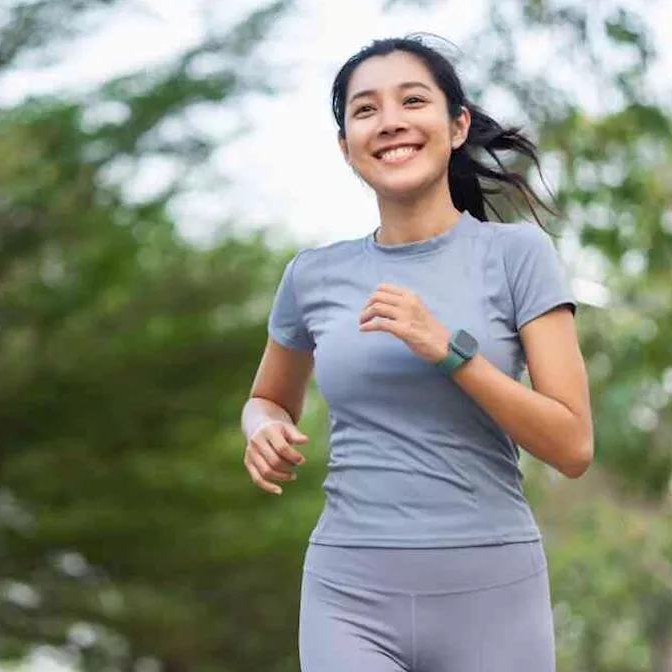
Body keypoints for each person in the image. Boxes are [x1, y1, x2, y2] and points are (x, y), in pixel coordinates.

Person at [239, 35, 594, 672]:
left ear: (456, 126)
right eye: (365, 110)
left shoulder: (518, 257)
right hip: (348, 593)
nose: (391, 122)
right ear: (346, 145)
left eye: (412, 101)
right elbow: (267, 398)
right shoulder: (312, 275)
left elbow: (572, 446)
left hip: (493, 594)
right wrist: (261, 428)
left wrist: (451, 352)